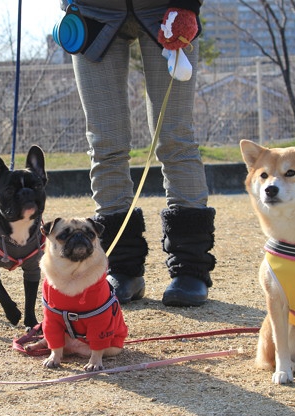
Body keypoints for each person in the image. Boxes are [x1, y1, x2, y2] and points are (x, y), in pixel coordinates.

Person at [57, 0, 215, 307]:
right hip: (91, 11)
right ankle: (122, 268)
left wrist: (188, 4)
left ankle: (190, 269)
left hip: (167, 8)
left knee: (176, 138)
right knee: (105, 144)